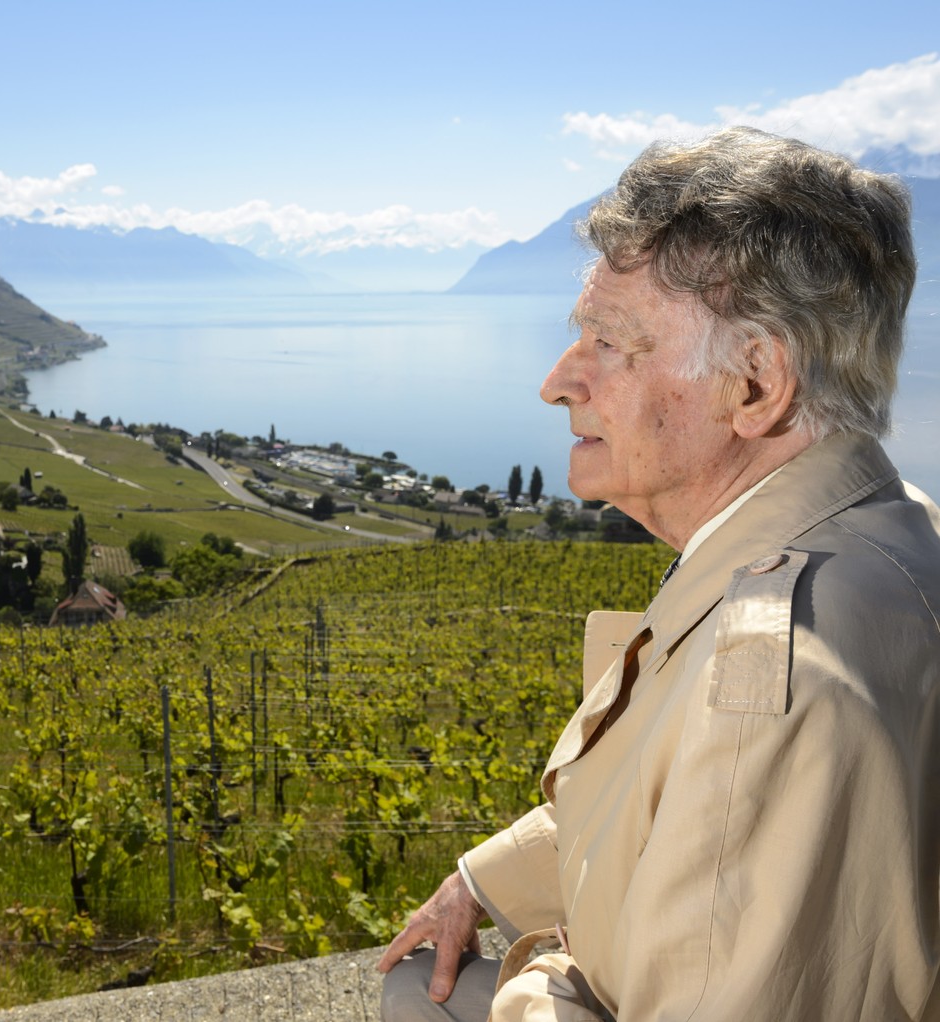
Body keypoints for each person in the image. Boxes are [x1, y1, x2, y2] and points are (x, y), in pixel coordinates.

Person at [377, 126, 940, 1021]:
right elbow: (673, 804)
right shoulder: (895, 527)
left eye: (609, 341)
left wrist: (548, 972)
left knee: (414, 997)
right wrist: (483, 882)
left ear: (756, 384)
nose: (559, 381)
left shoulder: (772, 685)